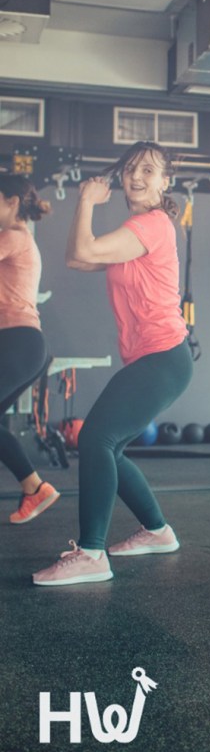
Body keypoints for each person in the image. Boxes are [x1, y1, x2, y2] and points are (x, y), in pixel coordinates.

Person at [33, 141, 193, 586]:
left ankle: (91, 554)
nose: (136, 177)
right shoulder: (136, 228)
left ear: (165, 182)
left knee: (97, 438)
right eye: (129, 170)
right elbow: (75, 256)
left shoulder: (153, 224)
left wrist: (85, 200)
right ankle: (158, 531)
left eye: (147, 170)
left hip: (164, 357)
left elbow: (83, 249)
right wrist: (84, 207)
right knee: (109, 446)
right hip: (152, 358)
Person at [0, 174, 60, 524]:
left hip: (19, 343)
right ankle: (34, 488)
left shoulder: (13, 237)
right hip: (19, 344)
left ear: (11, 202)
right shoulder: (14, 240)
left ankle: (36, 488)